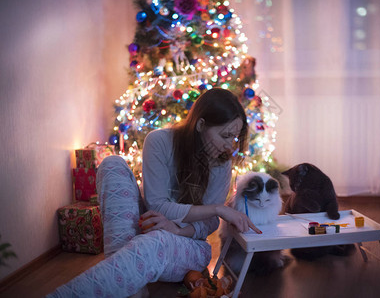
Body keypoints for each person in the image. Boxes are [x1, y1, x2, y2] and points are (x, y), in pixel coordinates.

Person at [48, 88, 261, 297]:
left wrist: (177, 231)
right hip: (147, 226)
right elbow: (156, 205)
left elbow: (209, 224)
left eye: (234, 137)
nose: (229, 145)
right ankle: (130, 286)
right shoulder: (159, 141)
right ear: (201, 124)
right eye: (225, 135)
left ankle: (125, 283)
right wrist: (216, 208)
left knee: (155, 241)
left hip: (189, 246)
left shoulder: (221, 164)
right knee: (111, 164)